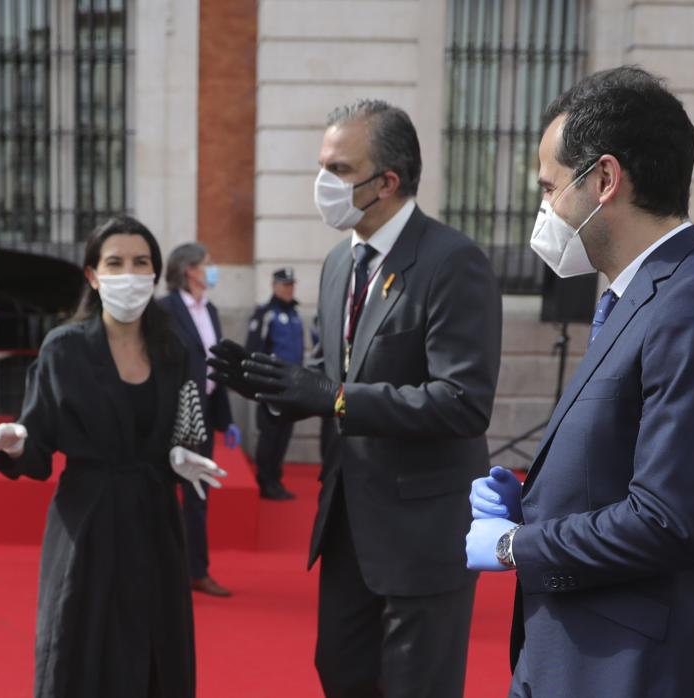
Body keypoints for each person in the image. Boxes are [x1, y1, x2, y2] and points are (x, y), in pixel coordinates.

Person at [465, 66, 694, 698]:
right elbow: (620, 467)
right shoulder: (638, 297)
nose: (545, 209)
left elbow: (667, 521)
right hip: (578, 659)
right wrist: (530, 501)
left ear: (605, 179)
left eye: (550, 188)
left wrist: (514, 546)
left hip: (638, 672)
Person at [210, 99, 502, 697]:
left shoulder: (452, 262)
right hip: (347, 524)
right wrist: (273, 388)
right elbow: (329, 372)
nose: (324, 183)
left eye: (339, 169)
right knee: (340, 673)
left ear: (386, 182)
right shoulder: (340, 261)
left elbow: (462, 401)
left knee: (413, 688)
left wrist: (337, 398)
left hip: (422, 533)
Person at [0, 216, 226, 697]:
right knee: (80, 651)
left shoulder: (173, 347)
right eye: (115, 263)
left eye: (141, 262)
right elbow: (40, 437)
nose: (129, 273)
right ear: (93, 275)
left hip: (155, 521)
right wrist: (19, 440)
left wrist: (180, 453)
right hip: (86, 526)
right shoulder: (63, 349)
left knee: (157, 652)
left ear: (155, 274)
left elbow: (187, 425)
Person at [157, 243, 240, 597]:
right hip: (170, 419)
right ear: (189, 269)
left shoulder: (212, 311)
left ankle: (197, 571)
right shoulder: (163, 310)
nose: (212, 268)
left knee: (198, 494)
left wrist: (227, 419)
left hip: (203, 417)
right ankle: (160, 571)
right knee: (162, 494)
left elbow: (215, 367)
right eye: (207, 263)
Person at [244, 267, 304, 500]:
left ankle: (276, 479)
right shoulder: (265, 313)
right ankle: (265, 480)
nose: (289, 289)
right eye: (285, 285)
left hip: (292, 387)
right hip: (271, 387)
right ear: (274, 286)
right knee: (270, 434)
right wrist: (259, 383)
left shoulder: (295, 314)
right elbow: (252, 350)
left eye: (292, 285)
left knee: (284, 434)